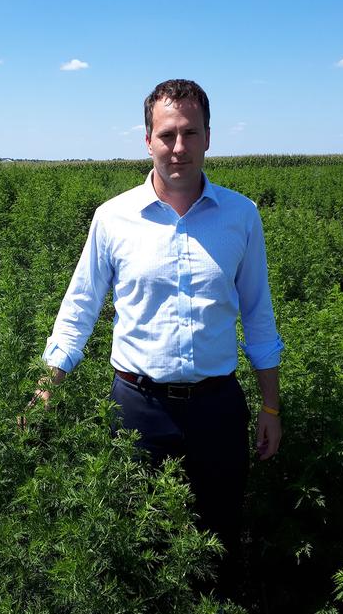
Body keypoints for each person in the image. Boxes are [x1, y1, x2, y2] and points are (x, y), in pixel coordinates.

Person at [34, 79, 282, 586]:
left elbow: (259, 316)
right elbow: (79, 307)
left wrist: (270, 407)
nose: (179, 147)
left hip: (218, 407)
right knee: (136, 543)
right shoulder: (113, 218)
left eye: (190, 133)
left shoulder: (241, 216)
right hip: (138, 407)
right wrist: (46, 389)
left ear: (209, 137)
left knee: (217, 537)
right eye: (167, 134)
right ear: (147, 139)